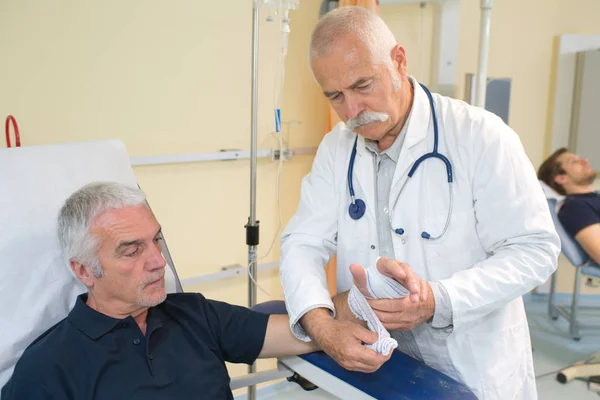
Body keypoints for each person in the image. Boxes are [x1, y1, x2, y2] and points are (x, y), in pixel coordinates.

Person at [279, 6, 560, 400]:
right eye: (335, 96)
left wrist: (437, 300)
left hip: (471, 363)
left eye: (362, 85)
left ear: (398, 60)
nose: (352, 111)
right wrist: (321, 326)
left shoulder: (480, 136)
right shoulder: (336, 149)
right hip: (379, 365)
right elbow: (303, 242)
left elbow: (535, 250)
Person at [1, 182, 318, 400]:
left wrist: (360, 305)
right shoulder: (47, 368)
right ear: (84, 270)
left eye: (157, 240)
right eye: (131, 250)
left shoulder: (195, 314)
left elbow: (311, 331)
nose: (158, 261)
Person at [538, 148, 600, 262]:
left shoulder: (595, 197)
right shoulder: (575, 208)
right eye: (573, 161)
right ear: (561, 178)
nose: (585, 160)